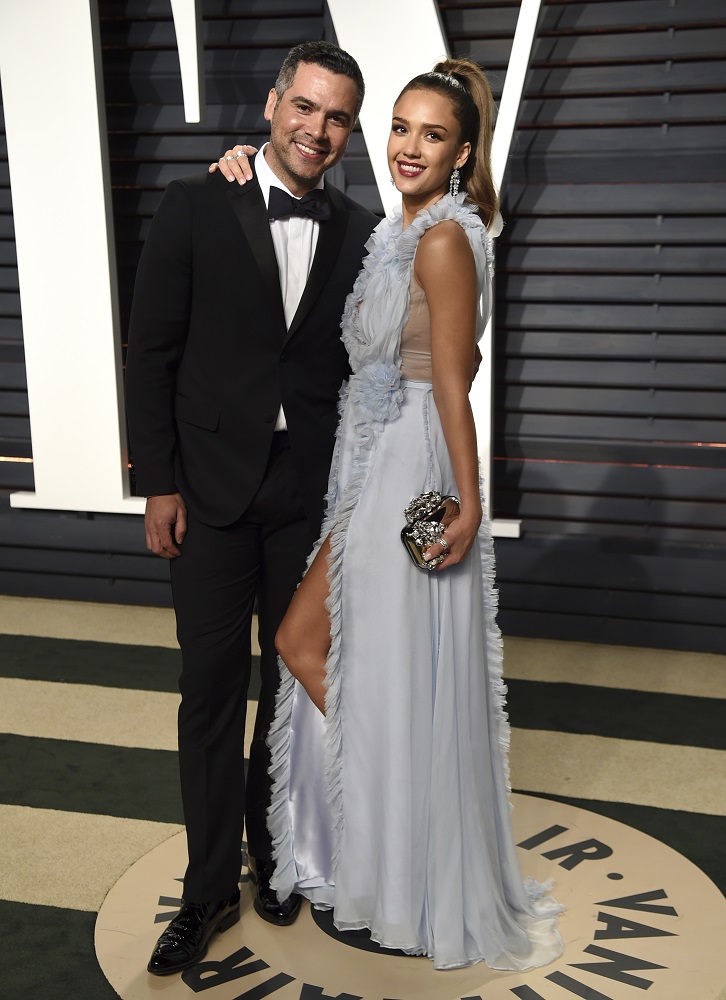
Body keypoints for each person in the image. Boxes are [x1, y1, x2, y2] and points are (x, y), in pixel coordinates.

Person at [262, 59, 565, 971]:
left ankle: (402, 861)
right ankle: (396, 847)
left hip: (410, 471)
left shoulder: (440, 241)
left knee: (314, 645)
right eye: (398, 127)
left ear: (463, 152)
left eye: (432, 134)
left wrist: (469, 503)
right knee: (360, 662)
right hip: (368, 464)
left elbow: (454, 386)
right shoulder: (401, 232)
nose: (407, 146)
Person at [124, 41, 377, 976]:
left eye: (337, 116)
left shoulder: (360, 229)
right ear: (274, 105)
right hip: (210, 493)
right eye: (304, 107)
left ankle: (275, 859)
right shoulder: (198, 202)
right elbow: (151, 353)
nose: (317, 129)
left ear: (351, 130)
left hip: (305, 495)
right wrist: (158, 481)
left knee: (287, 691)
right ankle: (203, 891)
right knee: (210, 691)